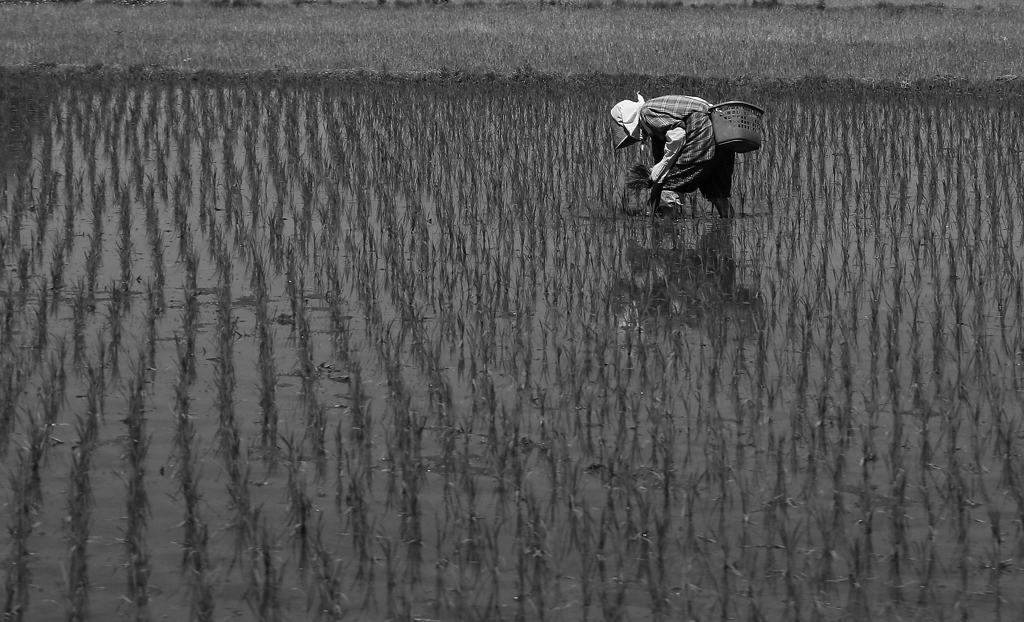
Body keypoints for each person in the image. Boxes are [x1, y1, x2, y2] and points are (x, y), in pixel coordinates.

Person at [611, 93, 735, 218]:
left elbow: (677, 136)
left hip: (702, 132)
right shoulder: (658, 120)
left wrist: (661, 170)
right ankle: (729, 226)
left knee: (670, 187)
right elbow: (667, 163)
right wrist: (656, 188)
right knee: (717, 192)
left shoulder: (647, 113)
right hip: (722, 132)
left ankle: (667, 230)